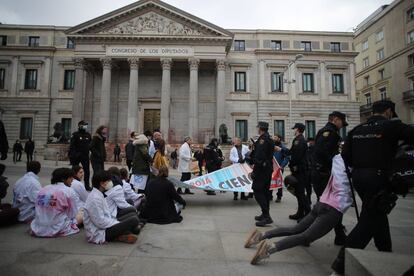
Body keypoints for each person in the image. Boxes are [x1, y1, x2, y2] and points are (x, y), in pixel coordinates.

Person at [331, 100, 414, 274]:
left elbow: (345, 155)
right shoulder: (392, 127)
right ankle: (340, 264)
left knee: (377, 213)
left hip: (359, 177)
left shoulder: (357, 130)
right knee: (369, 220)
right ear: (389, 112)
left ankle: (385, 250)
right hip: (379, 177)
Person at [245, 155, 353, 265]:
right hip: (334, 208)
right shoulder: (355, 164)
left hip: (323, 202)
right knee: (306, 237)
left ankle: (261, 236)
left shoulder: (338, 159)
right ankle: (268, 249)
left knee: (295, 229)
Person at [312, 111, 348, 246]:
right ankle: (306, 234)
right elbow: (328, 155)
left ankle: (339, 234)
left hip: (321, 173)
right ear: (336, 120)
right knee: (327, 207)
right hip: (324, 174)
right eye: (341, 123)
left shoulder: (326, 131)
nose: (341, 126)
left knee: (328, 206)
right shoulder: (330, 133)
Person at [83, 170, 139, 244]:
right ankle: (121, 234)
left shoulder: (98, 194)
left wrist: (117, 222)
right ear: (102, 183)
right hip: (100, 231)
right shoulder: (95, 199)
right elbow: (100, 222)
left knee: (132, 216)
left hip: (108, 222)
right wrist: (117, 223)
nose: (111, 183)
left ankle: (123, 234)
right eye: (108, 181)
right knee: (134, 220)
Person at [30, 168, 79, 237]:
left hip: (38, 226)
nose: (72, 179)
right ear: (63, 179)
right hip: (57, 227)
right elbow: (72, 214)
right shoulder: (68, 191)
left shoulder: (43, 189)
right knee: (81, 213)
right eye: (70, 177)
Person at [276, 123, 310, 221]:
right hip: (298, 170)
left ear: (298, 129)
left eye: (294, 128)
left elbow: (296, 156)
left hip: (299, 170)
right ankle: (300, 213)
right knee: (299, 193)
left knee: (301, 194)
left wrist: (293, 165)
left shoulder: (299, 140)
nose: (293, 130)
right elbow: (291, 152)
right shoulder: (298, 140)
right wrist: (281, 149)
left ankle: (307, 215)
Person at [250, 122, 275, 227]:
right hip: (267, 169)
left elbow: (259, 157)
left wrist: (254, 170)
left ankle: (266, 216)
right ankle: (265, 214)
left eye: (258, 127)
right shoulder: (269, 138)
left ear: (260, 128)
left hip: (261, 170)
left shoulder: (262, 140)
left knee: (257, 190)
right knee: (264, 192)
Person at [69, 121, 92, 190]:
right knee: (74, 171)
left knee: (87, 171)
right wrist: (73, 155)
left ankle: (87, 185)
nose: (85, 127)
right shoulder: (75, 134)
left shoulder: (88, 135)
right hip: (77, 156)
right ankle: (72, 183)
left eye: (86, 125)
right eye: (84, 125)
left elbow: (90, 145)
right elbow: (72, 146)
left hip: (85, 156)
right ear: (79, 126)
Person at [273, 134, 290, 203]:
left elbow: (286, 157)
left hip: (279, 168)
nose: (274, 138)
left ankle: (279, 196)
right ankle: (269, 195)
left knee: (278, 182)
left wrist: (282, 166)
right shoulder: (272, 146)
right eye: (273, 137)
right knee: (270, 181)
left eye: (275, 137)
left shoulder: (283, 148)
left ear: (279, 139)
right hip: (272, 167)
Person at [305, 138, 315, 205]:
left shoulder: (315, 148)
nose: (310, 143)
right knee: (308, 186)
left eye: (311, 141)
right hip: (308, 169)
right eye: (309, 142)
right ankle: (308, 199)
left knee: (315, 186)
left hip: (313, 169)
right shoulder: (307, 149)